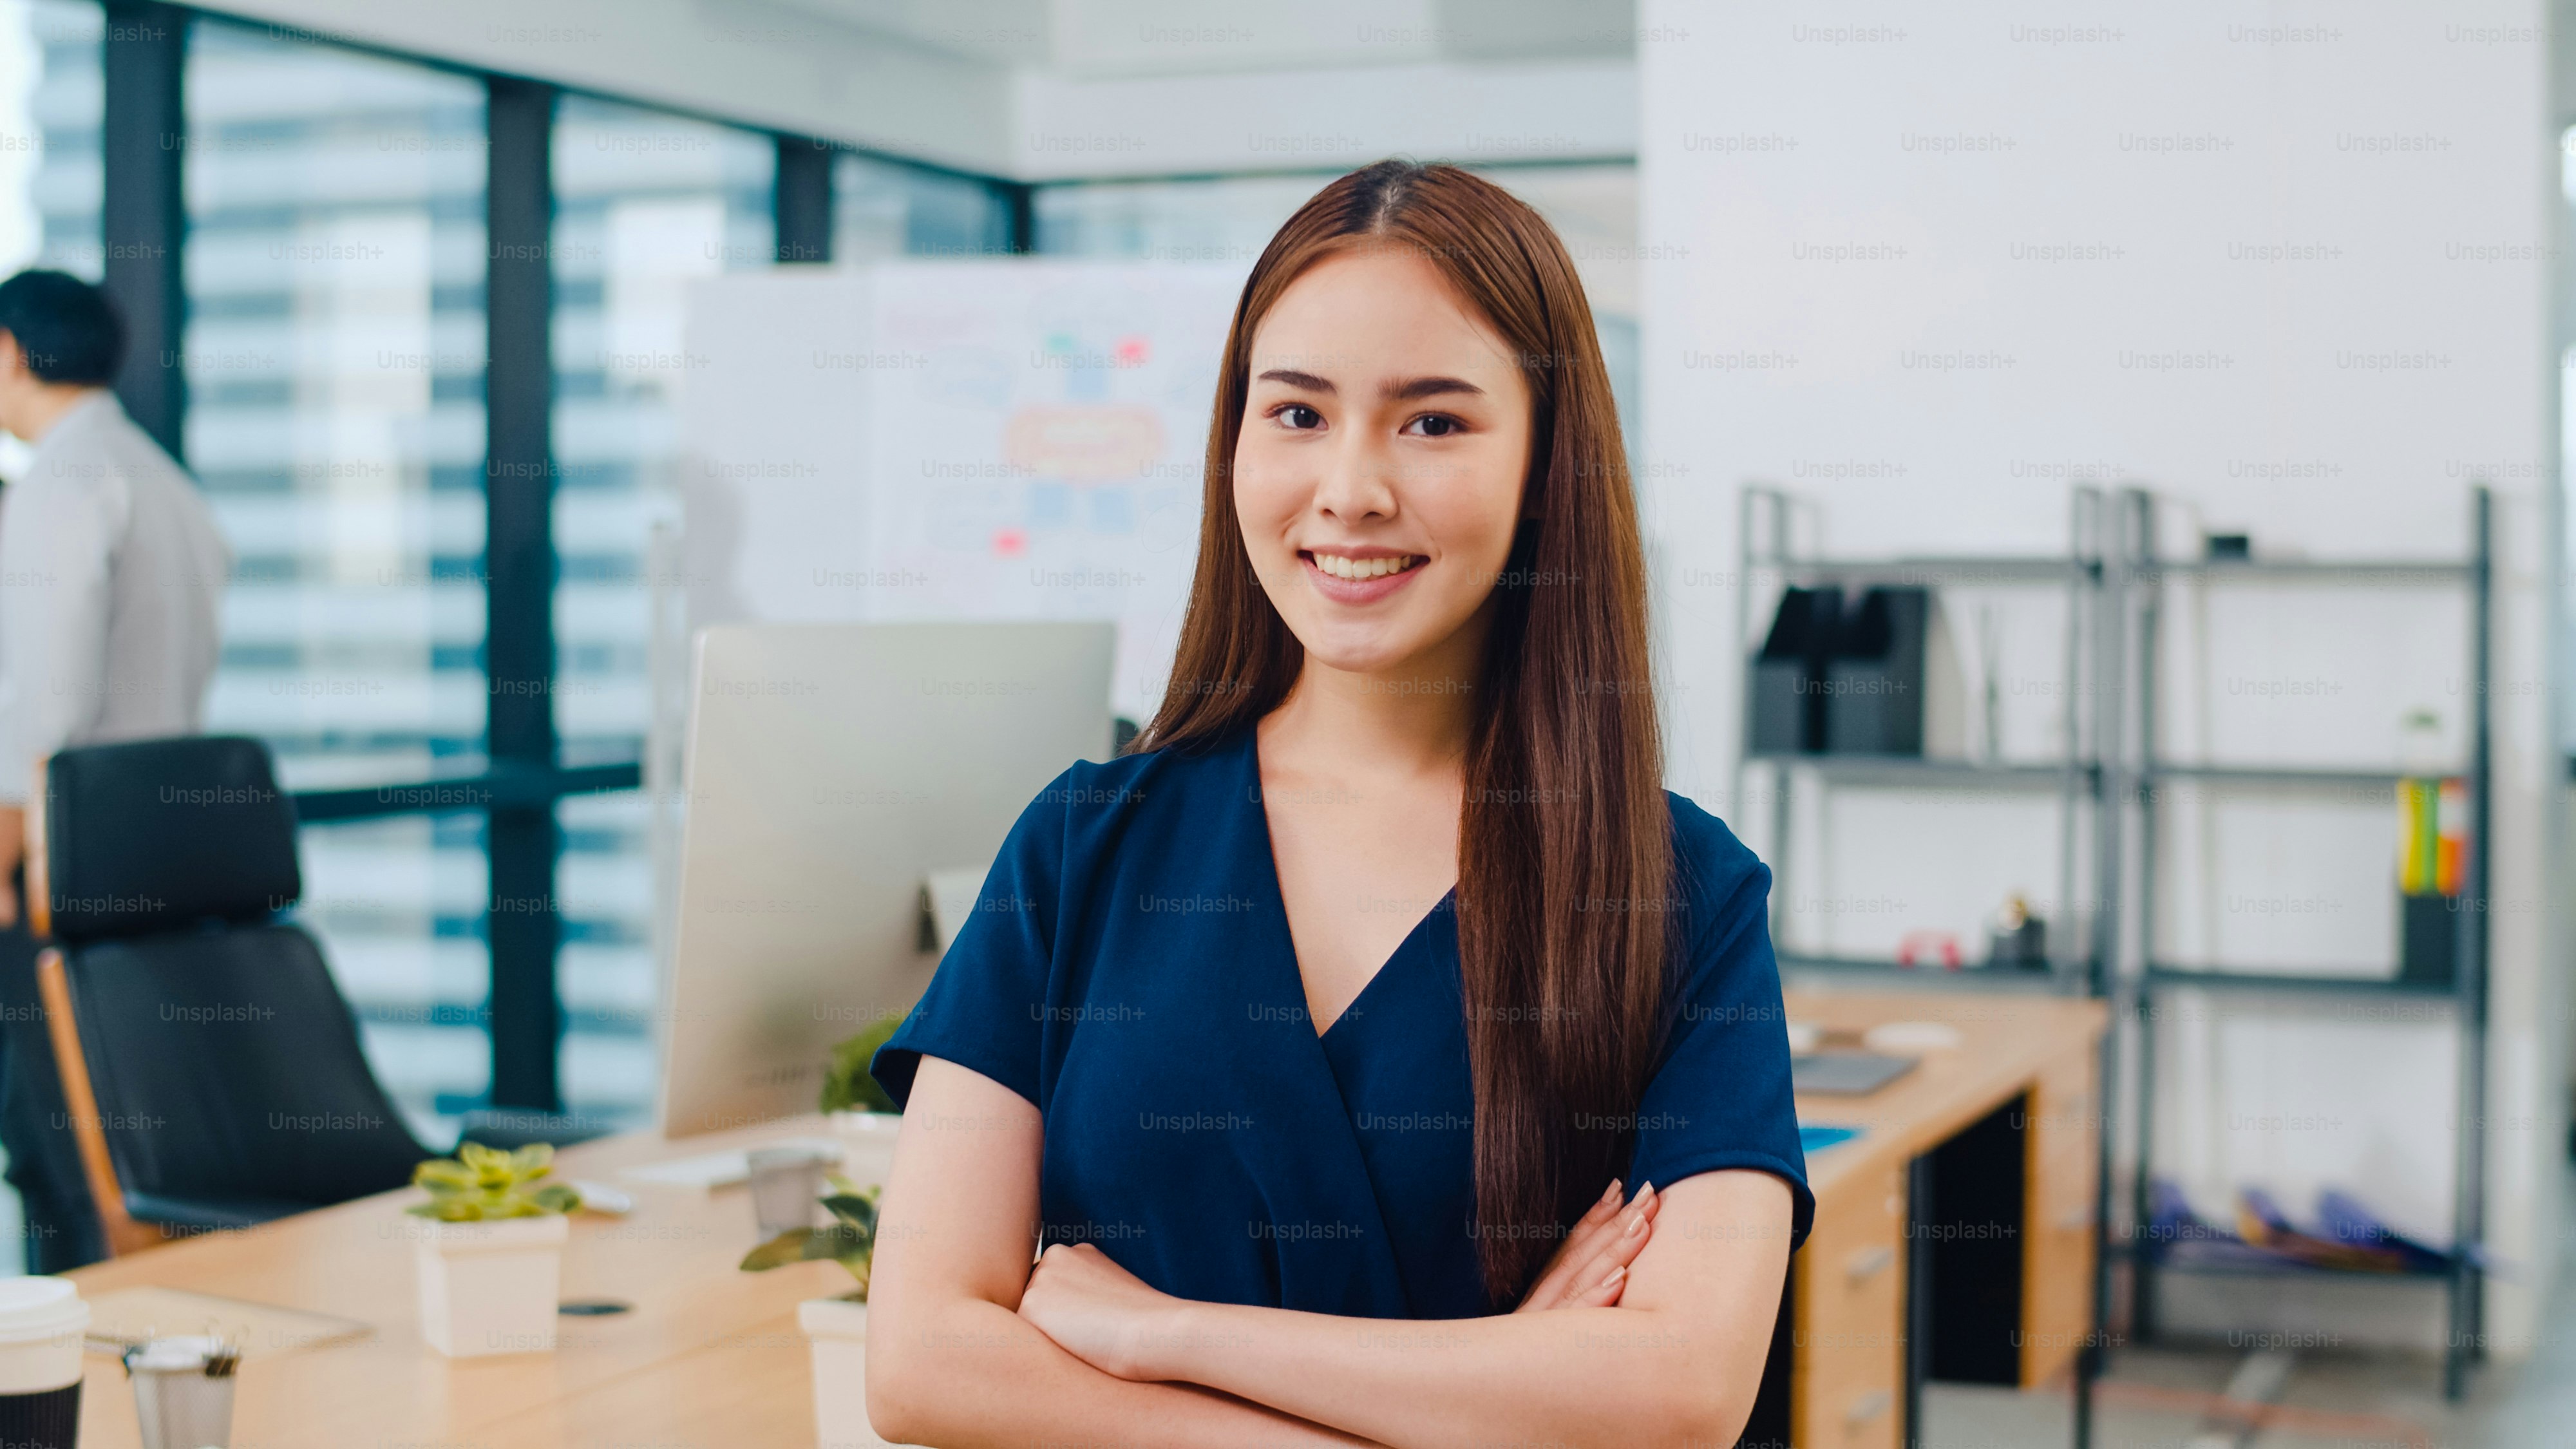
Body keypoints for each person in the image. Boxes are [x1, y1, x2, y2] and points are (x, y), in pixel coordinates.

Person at [862, 162, 1808, 1446]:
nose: (1350, 488)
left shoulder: (1675, 890)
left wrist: (1164, 1335)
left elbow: (1680, 1391)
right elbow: (921, 1359)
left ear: (1544, 465)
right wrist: (1492, 1384)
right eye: (1296, 414)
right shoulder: (1084, 847)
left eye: (1432, 423)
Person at [0, 269, 230, 1270]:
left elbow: (44, 698)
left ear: (10, 352)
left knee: (64, 1146)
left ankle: (66, 1389)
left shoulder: (63, 481)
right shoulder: (159, 475)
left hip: (62, 862)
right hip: (156, 852)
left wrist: (3, 835)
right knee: (126, 1125)